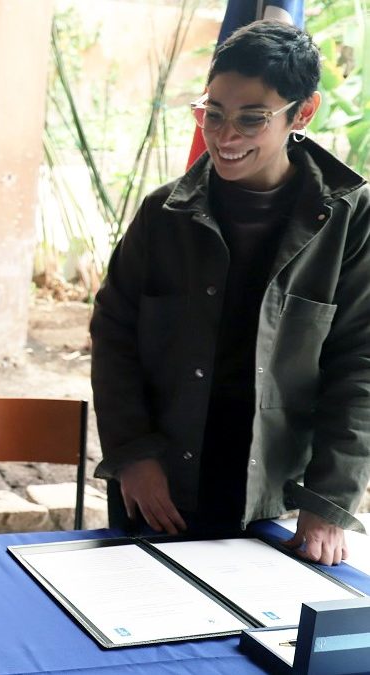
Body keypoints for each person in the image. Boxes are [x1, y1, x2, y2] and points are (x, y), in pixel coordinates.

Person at [91, 20, 370, 566]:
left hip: (275, 500)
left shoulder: (350, 223)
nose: (225, 136)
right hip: (160, 484)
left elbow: (359, 364)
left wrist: (330, 500)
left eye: (251, 118)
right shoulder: (162, 214)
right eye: (213, 113)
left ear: (303, 114)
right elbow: (114, 334)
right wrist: (133, 456)